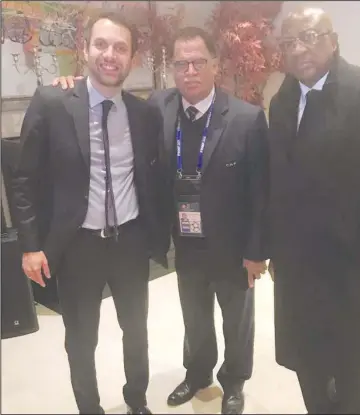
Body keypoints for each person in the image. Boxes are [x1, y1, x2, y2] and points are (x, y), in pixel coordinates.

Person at [52, 26, 269, 415]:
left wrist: (257, 252)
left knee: (236, 321)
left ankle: (234, 382)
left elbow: (260, 193)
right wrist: (71, 83)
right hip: (185, 241)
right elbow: (103, 99)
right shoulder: (158, 108)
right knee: (195, 317)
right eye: (180, 63)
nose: (189, 71)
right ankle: (197, 373)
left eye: (198, 62)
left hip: (233, 246)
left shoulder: (246, 119)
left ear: (215, 65)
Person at [12, 11, 170, 415]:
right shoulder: (52, 103)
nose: (110, 54)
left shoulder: (144, 114)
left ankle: (137, 400)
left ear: (132, 58)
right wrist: (31, 246)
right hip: (77, 244)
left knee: (136, 332)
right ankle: (89, 408)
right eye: (101, 44)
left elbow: (152, 178)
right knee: (81, 338)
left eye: (120, 47)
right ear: (85, 50)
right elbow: (24, 179)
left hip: (130, 241)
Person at [267, 7, 360, 414]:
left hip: (355, 270)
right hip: (300, 271)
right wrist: (276, 252)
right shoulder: (281, 101)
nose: (300, 49)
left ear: (333, 40)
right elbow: (279, 185)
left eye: (310, 37)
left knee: (356, 381)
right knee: (309, 368)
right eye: (289, 42)